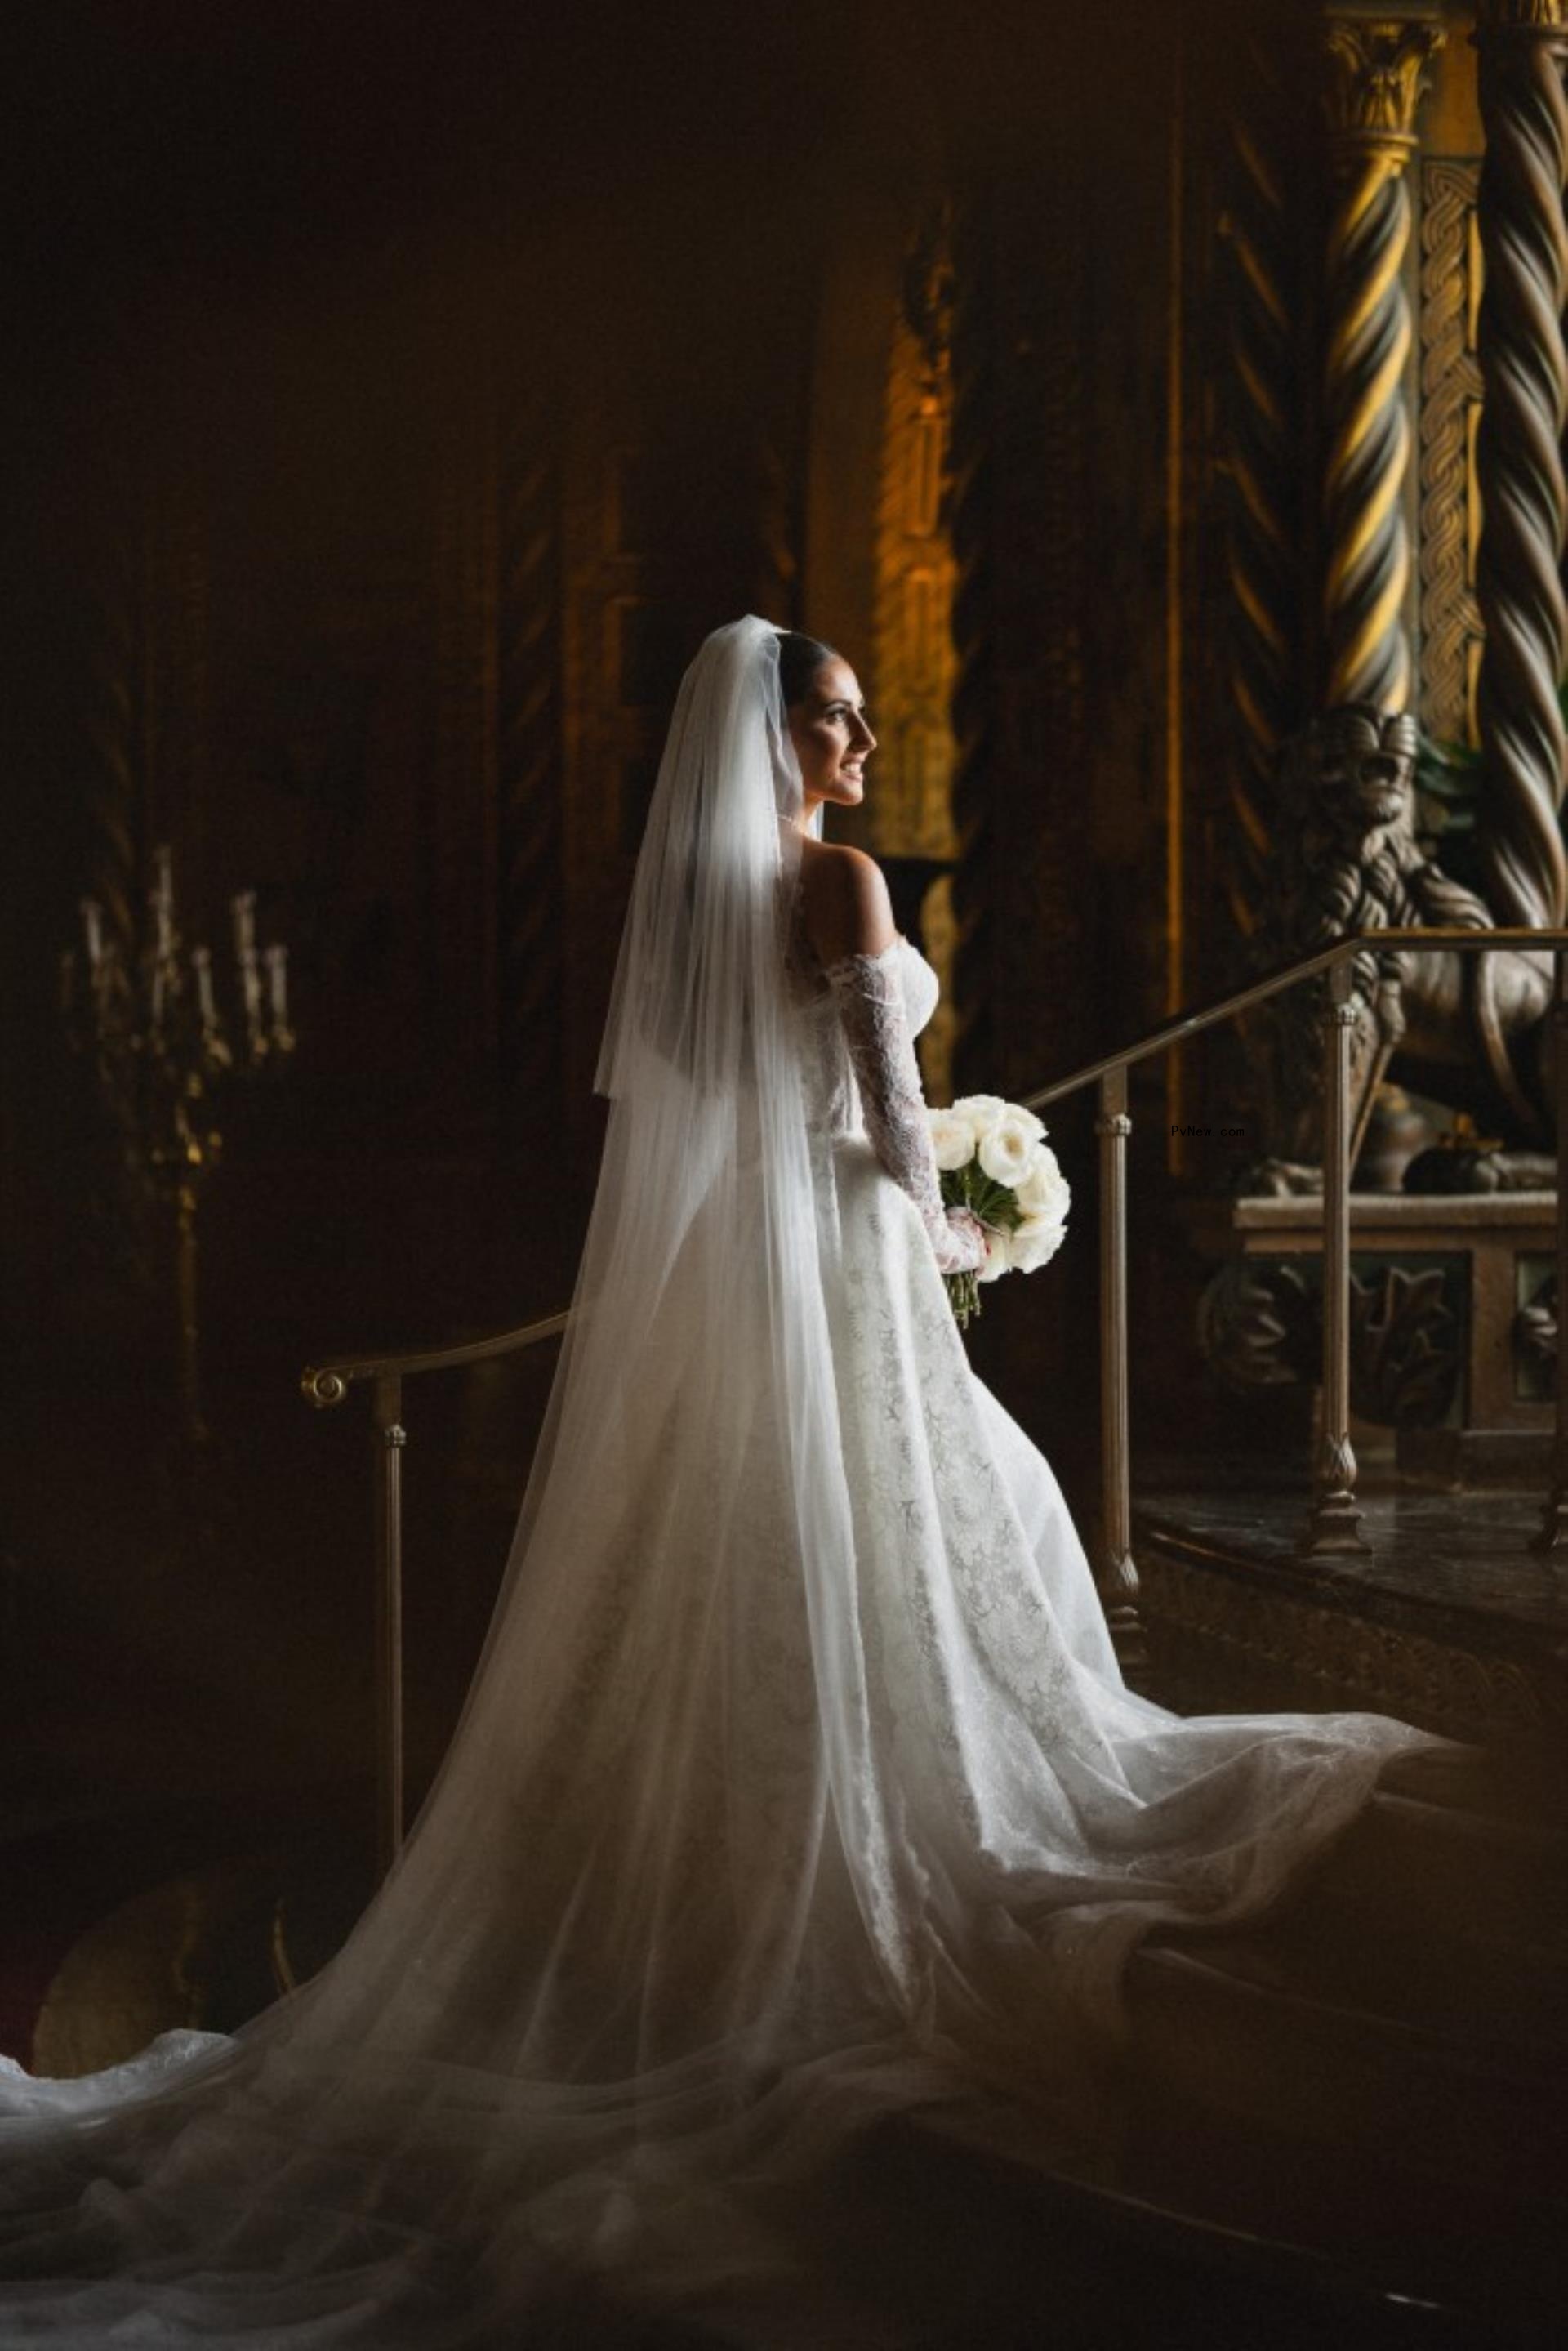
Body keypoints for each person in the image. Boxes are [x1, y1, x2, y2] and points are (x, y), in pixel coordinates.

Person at [0, 616, 1450, 2344]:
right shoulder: (835, 879)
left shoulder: (690, 903)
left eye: (852, 715)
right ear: (772, 733)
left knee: (841, 1541)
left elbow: (702, 1106)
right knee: (927, 1520)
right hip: (839, 1249)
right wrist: (939, 1227)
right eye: (831, 718)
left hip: (742, 1265)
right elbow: (884, 1096)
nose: (855, 741)